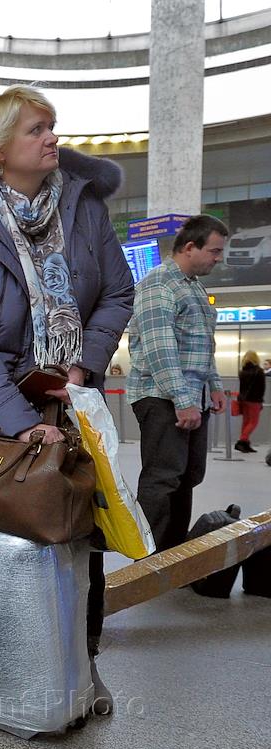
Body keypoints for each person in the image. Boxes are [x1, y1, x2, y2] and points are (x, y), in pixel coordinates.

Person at [0, 85, 135, 716]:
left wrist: (82, 363)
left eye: (53, 127)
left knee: (79, 529)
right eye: (37, 129)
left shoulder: (84, 207)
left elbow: (117, 294)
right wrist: (18, 421)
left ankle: (78, 667)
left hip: (69, 398)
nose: (52, 138)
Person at [126, 214, 229, 552]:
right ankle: (148, 559)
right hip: (161, 397)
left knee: (187, 477)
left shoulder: (195, 288)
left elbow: (203, 344)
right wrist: (182, 399)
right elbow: (161, 348)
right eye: (213, 251)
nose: (218, 258)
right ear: (189, 247)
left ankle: (172, 554)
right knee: (162, 478)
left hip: (191, 397)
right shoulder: (158, 284)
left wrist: (213, 384)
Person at [235, 350, 265, 453]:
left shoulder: (242, 371)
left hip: (244, 400)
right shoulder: (259, 371)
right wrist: (261, 401)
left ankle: (245, 444)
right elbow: (261, 388)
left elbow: (242, 387)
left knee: (246, 422)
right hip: (254, 400)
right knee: (253, 422)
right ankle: (242, 441)